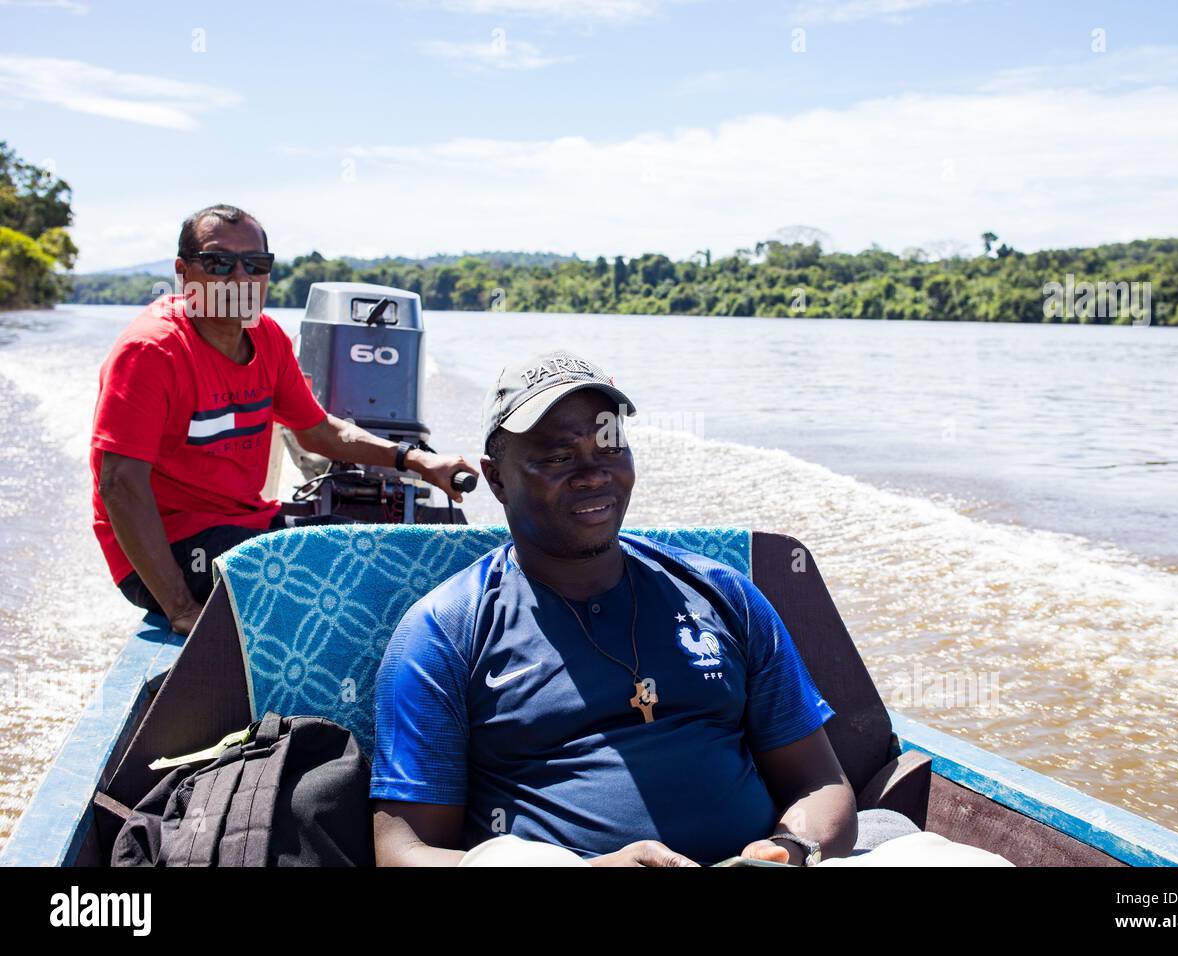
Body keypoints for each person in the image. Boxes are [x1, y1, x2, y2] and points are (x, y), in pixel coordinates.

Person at [370, 349, 1011, 867]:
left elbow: (818, 781)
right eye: (558, 457)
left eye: (610, 448)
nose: (594, 474)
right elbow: (403, 850)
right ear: (498, 476)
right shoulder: (445, 631)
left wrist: (786, 852)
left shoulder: (721, 594)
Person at [90, 203, 477, 635]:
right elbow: (119, 484)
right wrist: (181, 608)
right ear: (184, 271)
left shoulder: (268, 338)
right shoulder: (151, 352)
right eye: (219, 263)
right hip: (173, 545)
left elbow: (319, 431)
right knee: (343, 577)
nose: (239, 279)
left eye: (255, 264)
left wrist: (419, 461)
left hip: (245, 525)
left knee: (369, 547)